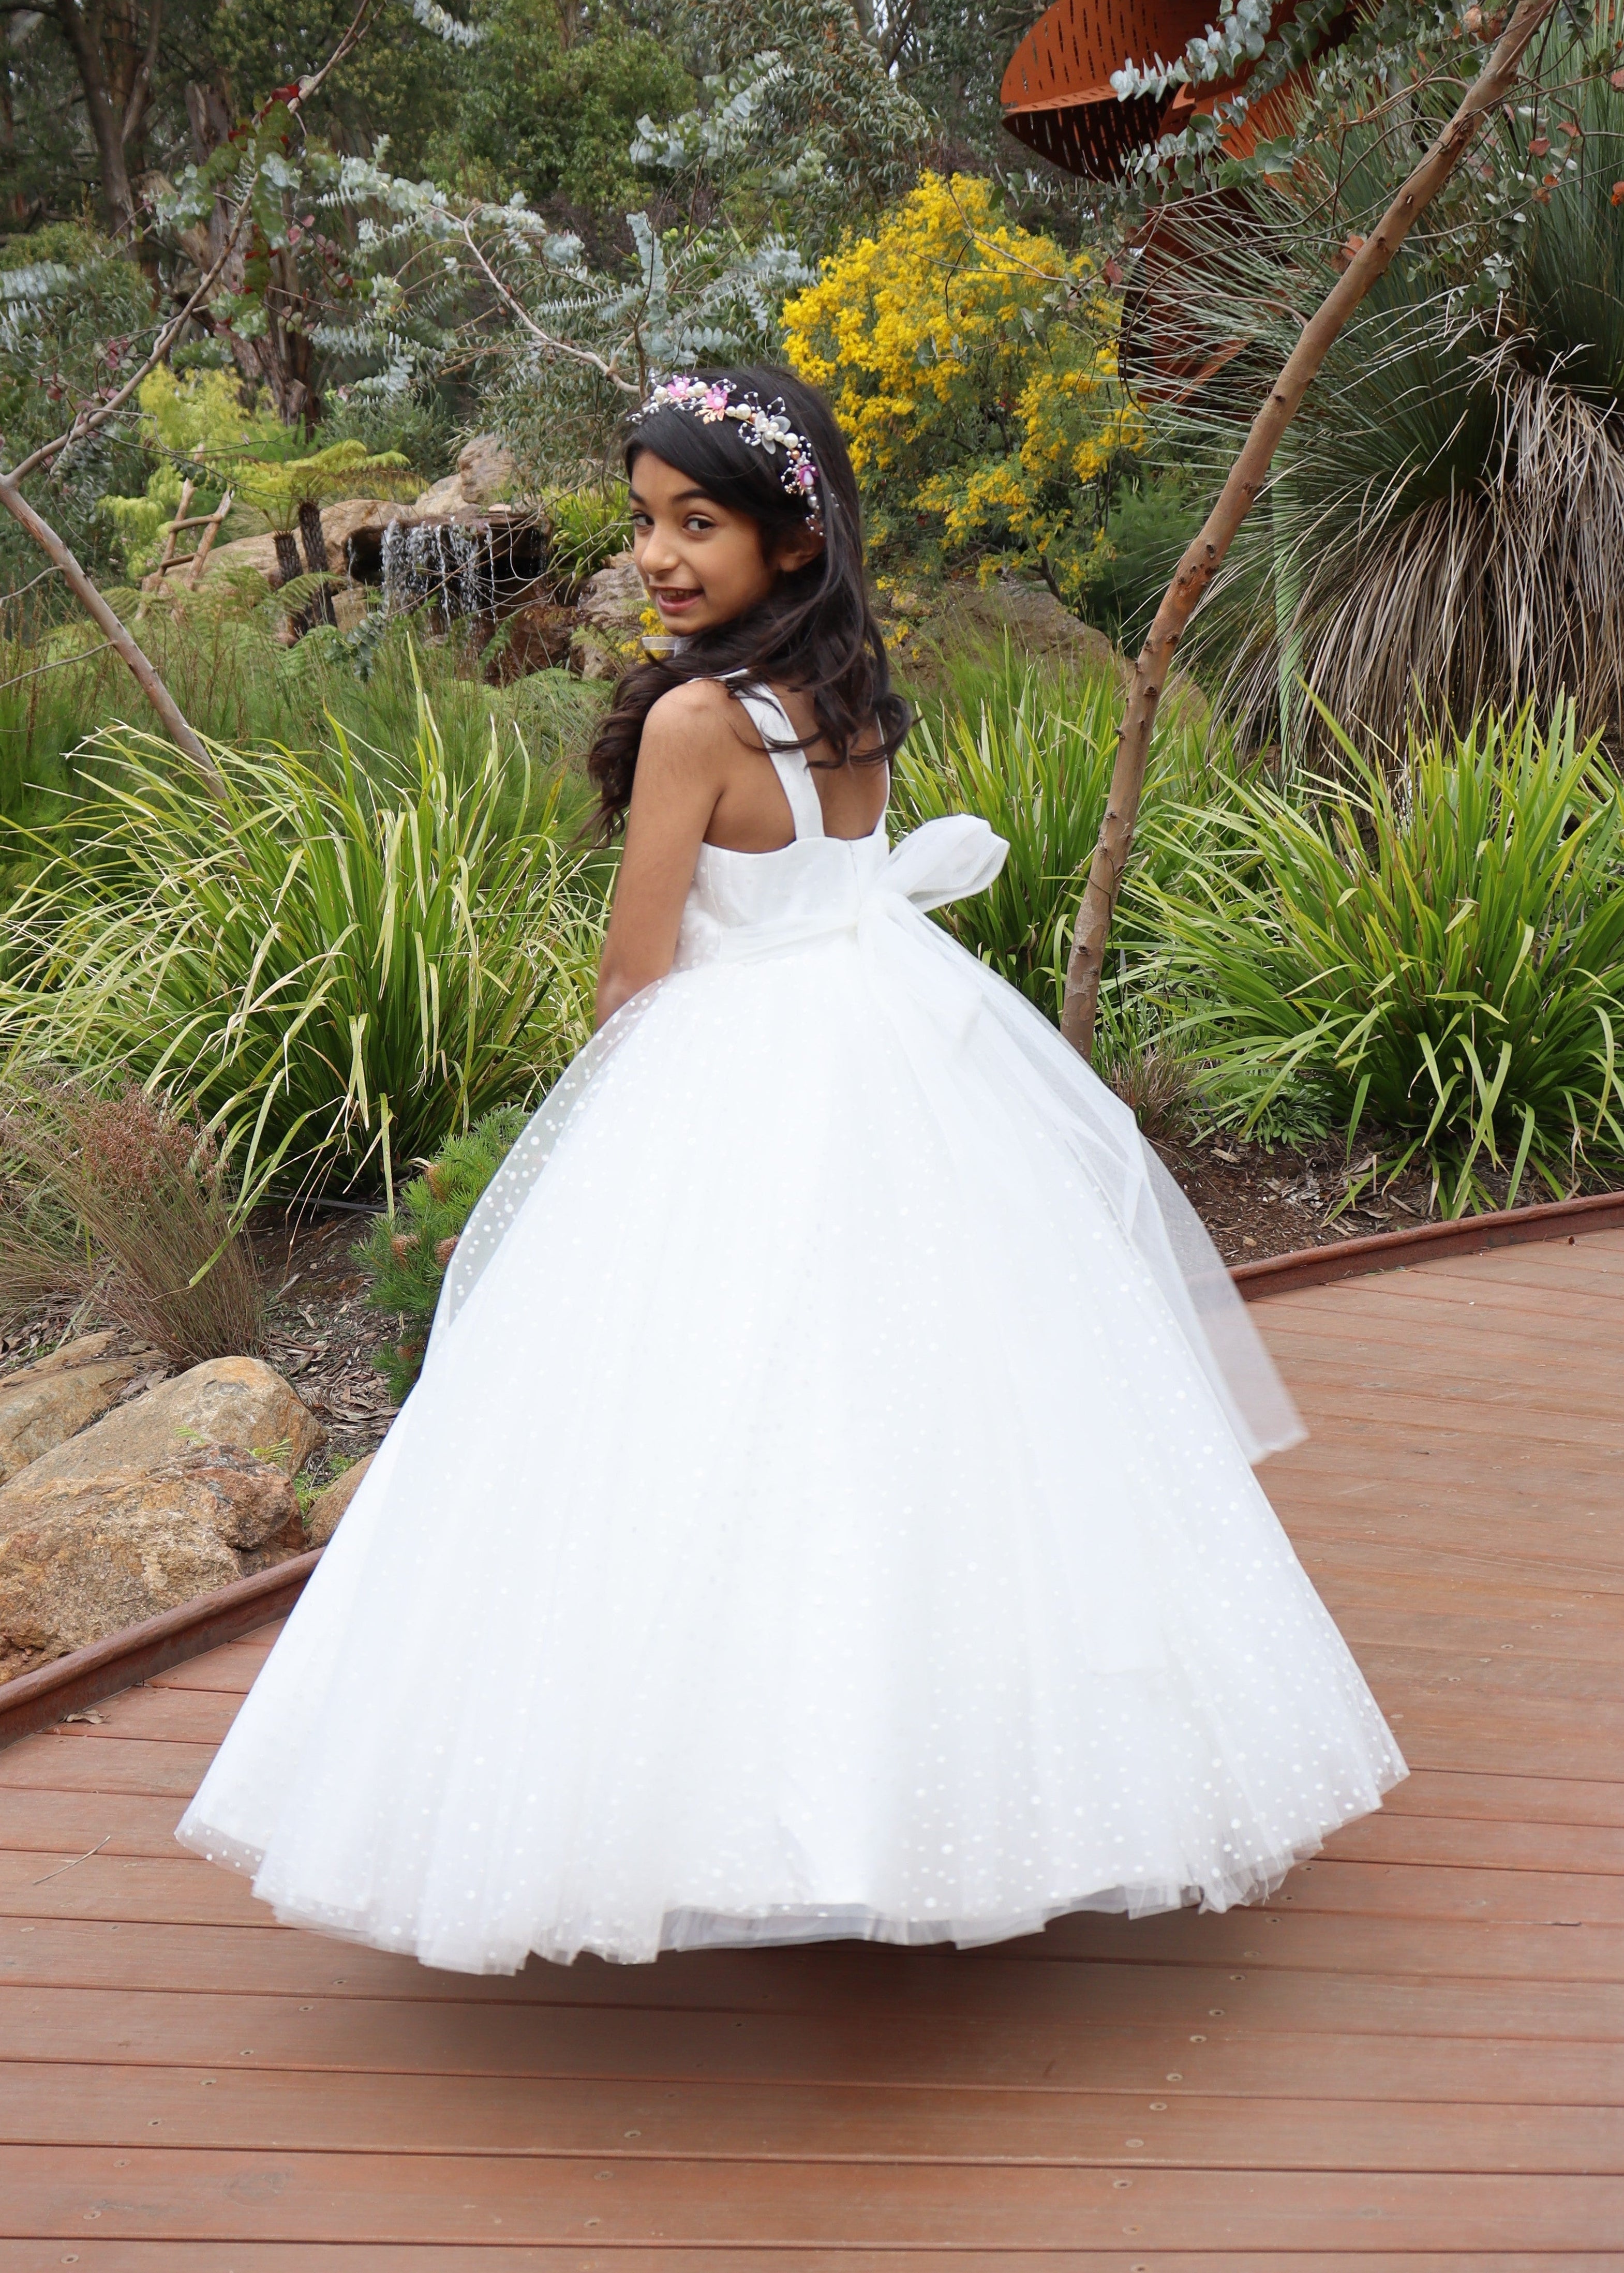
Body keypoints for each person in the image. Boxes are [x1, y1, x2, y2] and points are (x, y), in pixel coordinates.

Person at [177, 365, 1404, 1972]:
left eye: (698, 523)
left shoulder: (694, 720)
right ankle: (950, 1785)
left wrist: (588, 1163)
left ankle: (714, 1806)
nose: (659, 555)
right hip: (885, 1059)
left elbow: (635, 973)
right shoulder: (850, 700)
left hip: (731, 1070)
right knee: (929, 1424)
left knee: (694, 1425)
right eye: (645, 522)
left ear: (789, 539)